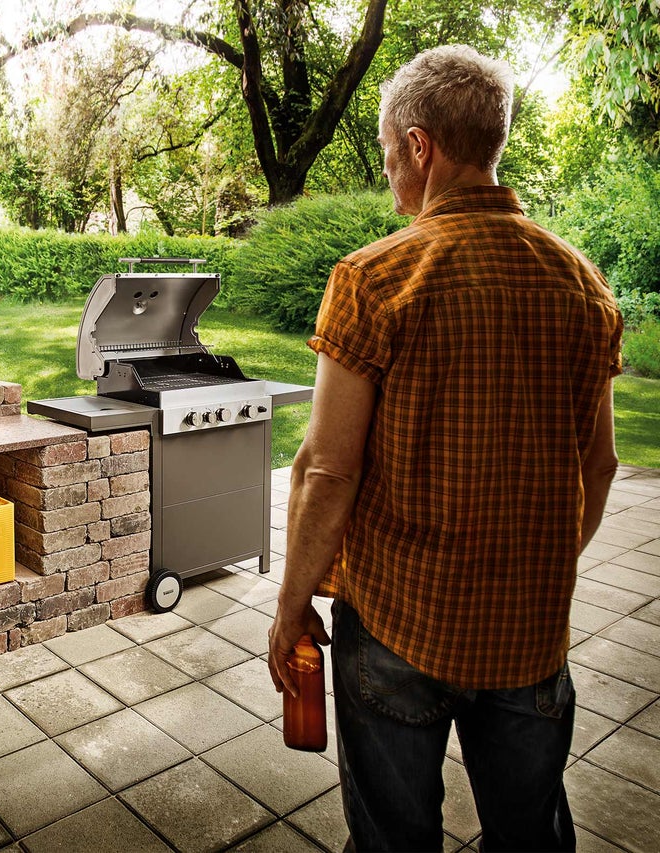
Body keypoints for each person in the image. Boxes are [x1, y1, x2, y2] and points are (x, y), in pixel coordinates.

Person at [267, 44, 622, 852]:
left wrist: (291, 604)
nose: (391, 177)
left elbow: (328, 469)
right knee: (531, 837)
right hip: (530, 636)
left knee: (393, 840)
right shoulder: (582, 285)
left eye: (389, 154)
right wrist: (536, 568)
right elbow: (597, 466)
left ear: (420, 146)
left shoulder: (375, 278)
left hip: (397, 626)